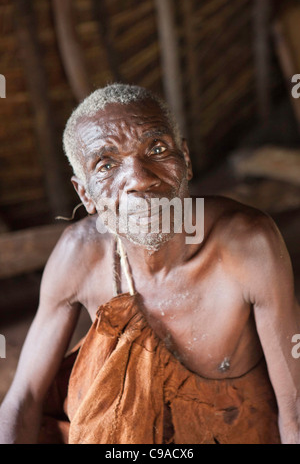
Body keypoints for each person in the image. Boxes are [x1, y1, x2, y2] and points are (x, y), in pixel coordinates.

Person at [0, 83, 299, 444]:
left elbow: (294, 407)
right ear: (85, 194)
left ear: (185, 160)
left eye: (156, 148)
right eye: (106, 164)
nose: (140, 179)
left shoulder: (248, 246)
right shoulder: (80, 256)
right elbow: (24, 399)